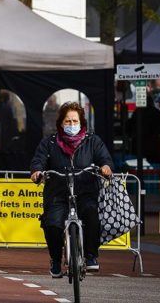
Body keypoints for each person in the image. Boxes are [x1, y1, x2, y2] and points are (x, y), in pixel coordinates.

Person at [30, 101, 113, 278]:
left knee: (91, 214)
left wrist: (105, 167)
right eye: (67, 121)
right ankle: (55, 260)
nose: (71, 125)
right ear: (60, 123)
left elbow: (105, 159)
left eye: (75, 121)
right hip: (57, 194)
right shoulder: (49, 142)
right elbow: (38, 160)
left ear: (81, 123)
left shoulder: (93, 141)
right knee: (52, 224)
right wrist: (37, 171)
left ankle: (91, 256)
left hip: (85, 192)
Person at [126, 94, 160, 165]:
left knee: (138, 164)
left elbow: (129, 126)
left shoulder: (138, 112)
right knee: (154, 165)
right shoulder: (157, 113)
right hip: (153, 144)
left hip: (139, 143)